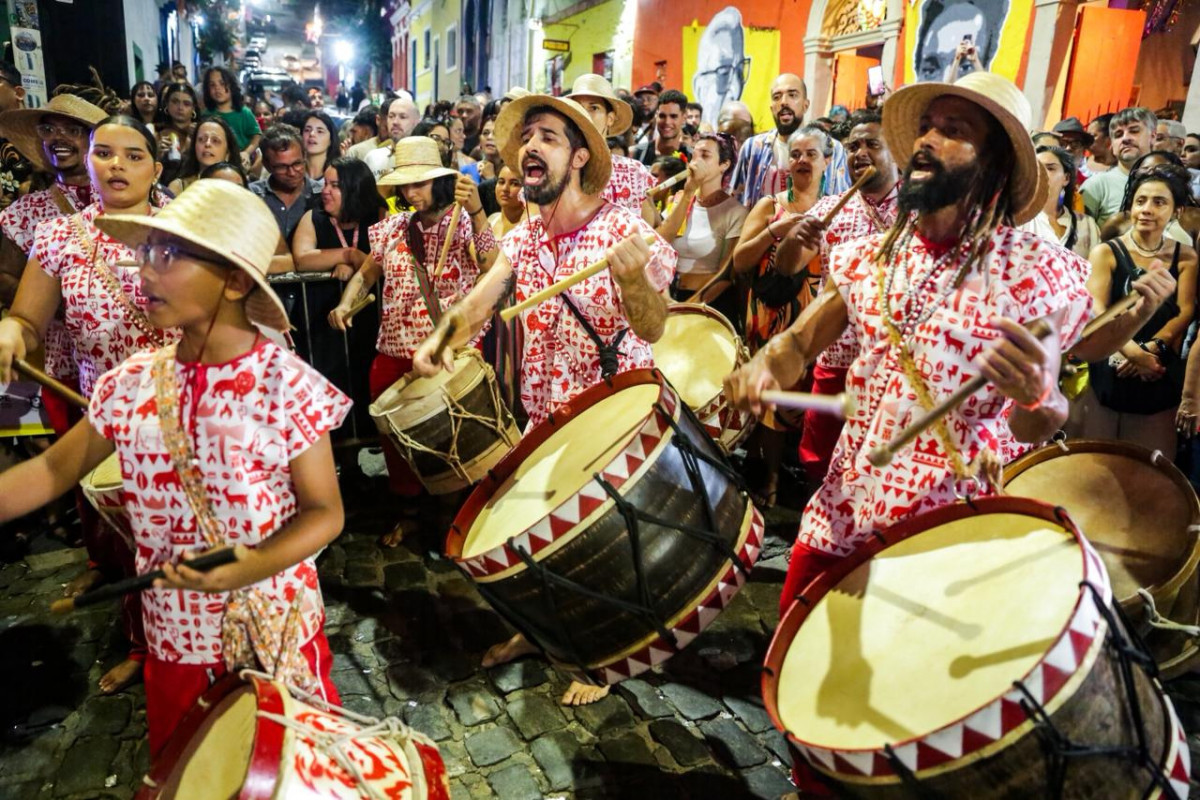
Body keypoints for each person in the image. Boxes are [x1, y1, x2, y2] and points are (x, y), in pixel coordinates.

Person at [721, 76, 1158, 680]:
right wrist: (762, 368)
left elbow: (1039, 421)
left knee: (905, 681)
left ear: (995, 165)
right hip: (848, 497)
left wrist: (1039, 396)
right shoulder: (874, 254)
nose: (926, 141)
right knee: (799, 659)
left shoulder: (1039, 275)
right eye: (927, 127)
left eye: (953, 132)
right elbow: (799, 343)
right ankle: (812, 777)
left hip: (954, 513)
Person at [0, 178, 348, 757]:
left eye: (169, 255)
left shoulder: (286, 384)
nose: (145, 270)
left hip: (273, 627)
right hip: (176, 636)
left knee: (285, 773)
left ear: (235, 280)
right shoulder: (130, 384)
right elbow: (49, 474)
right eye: (146, 252)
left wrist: (250, 566)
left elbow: (324, 513)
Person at [409, 94, 676, 706]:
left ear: (579, 157)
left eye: (548, 138)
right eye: (527, 138)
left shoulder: (622, 228)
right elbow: (482, 297)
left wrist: (634, 279)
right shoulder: (527, 235)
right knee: (541, 528)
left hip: (614, 412)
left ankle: (602, 652)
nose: (531, 147)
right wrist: (442, 337)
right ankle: (539, 631)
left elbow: (655, 326)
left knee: (606, 538)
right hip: (547, 410)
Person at [0, 115, 181, 695]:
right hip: (105, 427)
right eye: (105, 153)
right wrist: (11, 334)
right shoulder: (58, 238)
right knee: (123, 546)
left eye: (134, 155)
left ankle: (207, 643)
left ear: (156, 167)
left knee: (193, 542)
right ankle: (144, 645)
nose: (117, 165)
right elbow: (29, 321)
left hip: (187, 416)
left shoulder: (187, 230)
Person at [328, 137, 498, 546]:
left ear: (438, 181)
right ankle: (411, 516)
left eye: (419, 184)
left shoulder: (463, 221)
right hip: (392, 348)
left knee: (451, 441)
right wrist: (345, 304)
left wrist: (476, 214)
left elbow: (493, 267)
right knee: (395, 444)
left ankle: (455, 520)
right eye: (405, 186)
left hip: (447, 351)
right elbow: (367, 274)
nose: (410, 193)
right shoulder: (390, 228)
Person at [771, 110, 901, 483]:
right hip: (837, 355)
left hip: (892, 362)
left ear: (896, 152)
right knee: (820, 457)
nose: (860, 153)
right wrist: (792, 243)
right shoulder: (831, 210)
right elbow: (787, 267)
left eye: (872, 145)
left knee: (881, 462)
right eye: (853, 146)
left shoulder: (919, 212)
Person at [732, 124, 831, 505]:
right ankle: (770, 482)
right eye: (796, 154)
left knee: (807, 395)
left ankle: (807, 481)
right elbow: (740, 261)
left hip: (815, 316)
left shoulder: (835, 208)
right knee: (772, 398)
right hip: (770, 314)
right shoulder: (770, 205)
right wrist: (777, 229)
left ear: (826, 160)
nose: (802, 160)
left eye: (811, 154)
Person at [1077, 166, 1197, 453]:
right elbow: (1098, 311)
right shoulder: (1105, 252)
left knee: (1151, 468)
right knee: (1098, 459)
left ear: (1176, 211)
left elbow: (1185, 310)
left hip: (1160, 368)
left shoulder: (1186, 255)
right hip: (1110, 362)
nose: (1147, 209)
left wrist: (1153, 350)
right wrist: (1132, 353)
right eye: (1140, 201)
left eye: (1159, 202)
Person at [291, 157, 385, 442]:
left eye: (335, 185)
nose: (325, 191)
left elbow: (381, 261)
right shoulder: (314, 217)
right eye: (325, 184)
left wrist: (358, 264)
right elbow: (302, 258)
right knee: (333, 384)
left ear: (355, 188)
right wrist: (348, 256)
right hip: (324, 323)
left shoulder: (378, 215)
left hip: (371, 322)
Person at [657, 131, 745, 321]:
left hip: (706, 305)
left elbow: (726, 274)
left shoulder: (735, 212)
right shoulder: (680, 199)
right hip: (668, 299)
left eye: (705, 155)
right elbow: (659, 243)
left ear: (724, 165)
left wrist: (691, 307)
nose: (695, 161)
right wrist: (688, 194)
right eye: (694, 155)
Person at [731, 74, 849, 209]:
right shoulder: (753, 148)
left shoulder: (832, 148)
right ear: (771, 108)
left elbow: (842, 205)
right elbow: (736, 203)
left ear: (806, 105)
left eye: (792, 95)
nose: (784, 102)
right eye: (777, 97)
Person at [566, 74, 659, 225]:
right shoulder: (557, 169)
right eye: (578, 108)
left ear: (610, 118)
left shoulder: (634, 173)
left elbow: (648, 235)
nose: (584, 115)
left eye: (593, 108)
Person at [250, 124, 319, 274]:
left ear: (305, 157)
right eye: (282, 167)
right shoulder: (252, 197)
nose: (292, 172)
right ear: (267, 166)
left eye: (297, 164)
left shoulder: (322, 195)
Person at [1099, 151, 1200, 246]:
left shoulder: (1194, 217)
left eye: (1162, 171)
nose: (1152, 176)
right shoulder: (1119, 221)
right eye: (1145, 171)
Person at [1082, 107, 1156, 226]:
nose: (1125, 138)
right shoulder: (1096, 186)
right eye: (1118, 134)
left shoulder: (1168, 185)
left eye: (1134, 131)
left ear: (1153, 137)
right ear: (1112, 145)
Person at [1034, 146, 1101, 258]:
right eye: (1036, 168)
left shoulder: (1087, 224)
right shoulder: (1017, 222)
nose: (1041, 173)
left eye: (1050, 168)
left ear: (1066, 178)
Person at [692, 7, 746, 128]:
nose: (736, 89)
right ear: (699, 88)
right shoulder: (683, 145)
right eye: (724, 72)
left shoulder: (750, 145)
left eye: (740, 72)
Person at [201, 67, 261, 172]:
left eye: (222, 83)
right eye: (212, 85)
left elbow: (256, 136)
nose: (217, 88)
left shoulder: (244, 112)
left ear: (232, 86)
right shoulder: (206, 114)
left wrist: (246, 152)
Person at [166, 115, 237, 196]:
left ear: (228, 153)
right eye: (201, 139)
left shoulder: (238, 187)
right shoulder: (178, 187)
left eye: (215, 141)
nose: (207, 144)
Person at [154, 82, 200, 186]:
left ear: (193, 108)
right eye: (175, 102)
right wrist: (158, 155)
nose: (180, 107)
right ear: (167, 104)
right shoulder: (158, 134)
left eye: (186, 104)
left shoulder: (202, 132)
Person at [633, 89, 691, 167]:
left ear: (684, 118)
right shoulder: (637, 153)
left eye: (673, 116)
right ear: (656, 116)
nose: (667, 122)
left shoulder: (692, 157)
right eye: (662, 116)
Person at [488, 164, 528, 238]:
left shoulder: (530, 226)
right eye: (501, 182)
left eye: (514, 184)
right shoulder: (491, 220)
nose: (505, 189)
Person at [300, 110, 337, 184]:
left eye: (320, 131)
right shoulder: (292, 174)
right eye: (307, 130)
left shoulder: (338, 175)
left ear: (331, 140)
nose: (312, 134)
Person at [475, 115, 502, 180]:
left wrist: (491, 178)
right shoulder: (468, 171)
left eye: (496, 133)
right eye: (485, 133)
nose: (489, 137)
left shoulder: (513, 173)